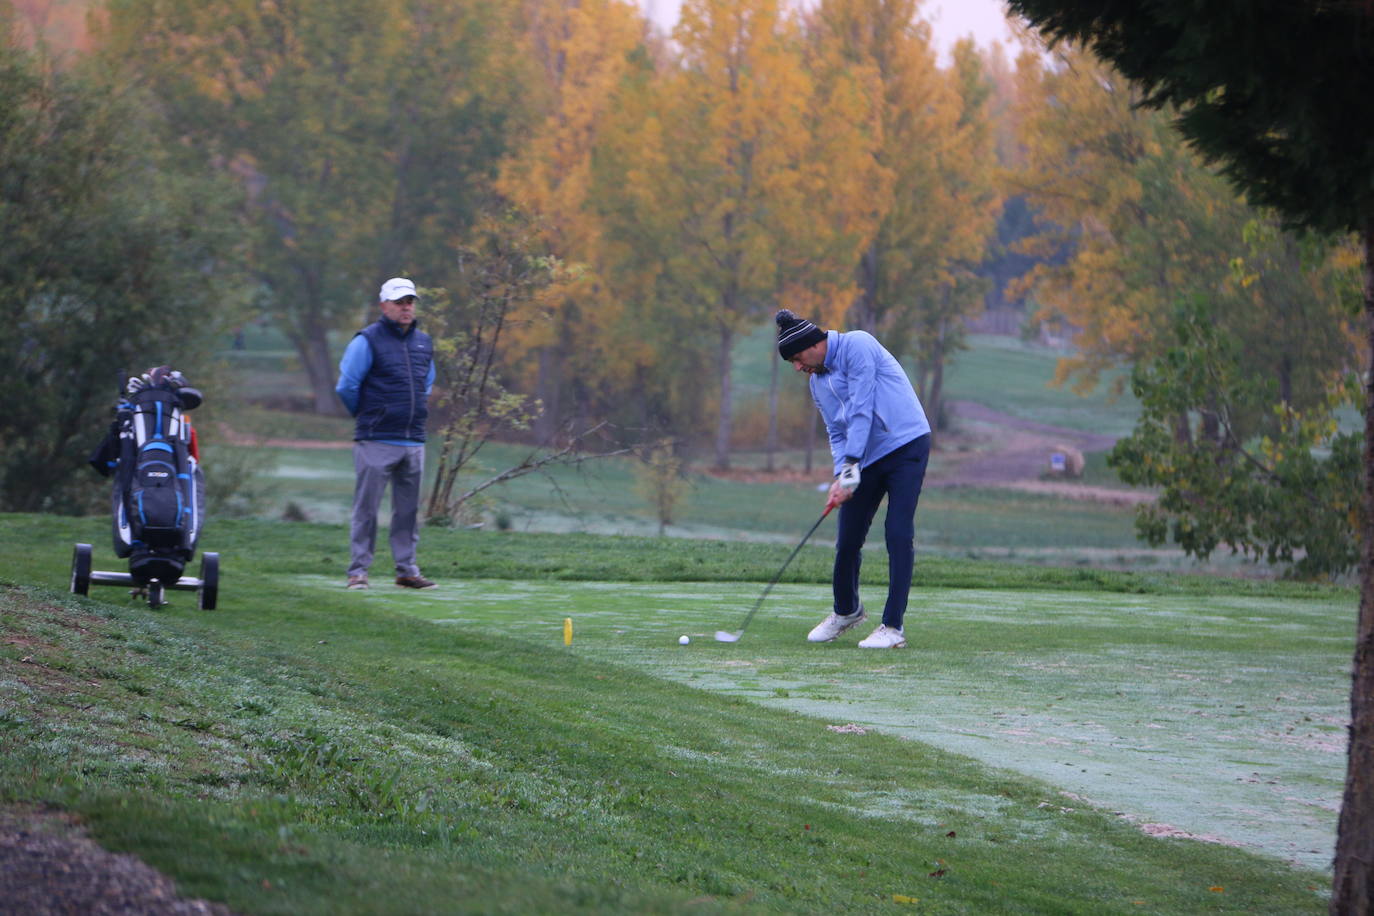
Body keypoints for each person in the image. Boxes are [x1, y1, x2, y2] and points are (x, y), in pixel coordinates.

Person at [776, 308, 933, 649]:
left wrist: (849, 469)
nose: (799, 367)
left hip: (906, 444)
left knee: (897, 531)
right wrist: (840, 478)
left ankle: (893, 627)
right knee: (848, 538)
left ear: (813, 343)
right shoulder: (818, 384)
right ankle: (847, 611)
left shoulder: (858, 345)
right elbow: (836, 432)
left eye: (798, 358)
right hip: (864, 458)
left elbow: (862, 407)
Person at [335, 277, 437, 590]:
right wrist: (368, 415)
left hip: (413, 439)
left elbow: (426, 385)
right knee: (366, 510)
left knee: (407, 512)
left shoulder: (423, 342)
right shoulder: (366, 340)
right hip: (376, 439)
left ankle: (406, 571)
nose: (406, 307)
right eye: (399, 302)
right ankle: (358, 572)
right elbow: (347, 386)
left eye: (410, 302)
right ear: (384, 306)